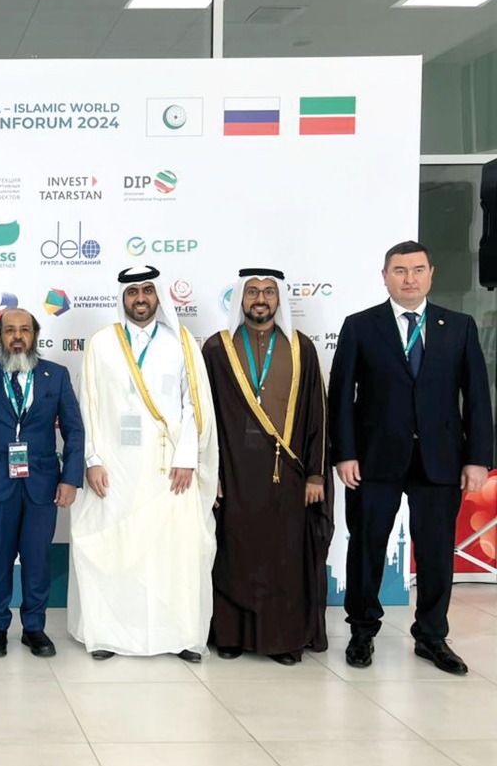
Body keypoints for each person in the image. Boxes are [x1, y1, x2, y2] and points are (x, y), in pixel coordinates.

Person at [328, 240, 492, 675]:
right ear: (385, 276)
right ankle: (362, 631)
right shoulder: (361, 326)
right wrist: (344, 453)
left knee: (437, 552)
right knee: (367, 548)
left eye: (418, 270)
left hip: (440, 460)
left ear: (431, 274)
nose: (409, 279)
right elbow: (342, 397)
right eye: (399, 270)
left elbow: (477, 397)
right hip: (374, 459)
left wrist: (477, 458)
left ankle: (432, 636)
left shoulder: (458, 326)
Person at [68, 265, 218, 662]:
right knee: (115, 547)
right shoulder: (101, 343)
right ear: (123, 298)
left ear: (158, 296)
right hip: (114, 469)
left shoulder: (181, 342)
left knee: (174, 551)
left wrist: (188, 457)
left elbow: (195, 406)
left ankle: (179, 636)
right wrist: (92, 461)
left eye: (147, 291)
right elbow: (90, 406)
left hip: (169, 470)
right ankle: (108, 635)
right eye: (133, 292)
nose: (140, 298)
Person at [202, 268, 333, 665]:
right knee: (234, 553)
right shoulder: (216, 348)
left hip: (288, 477)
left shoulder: (300, 348)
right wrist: (213, 474)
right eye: (253, 291)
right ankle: (230, 635)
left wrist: (315, 473)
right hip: (235, 473)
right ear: (240, 299)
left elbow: (318, 415)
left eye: (269, 292)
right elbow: (204, 418)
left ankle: (282, 639)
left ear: (280, 300)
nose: (260, 299)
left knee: (283, 558)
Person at [0, 308, 83, 658]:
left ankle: (34, 628)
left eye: (24, 330)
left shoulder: (55, 375)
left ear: (35, 335)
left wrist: (71, 478)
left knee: (37, 558)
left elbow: (74, 429)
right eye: (9, 330)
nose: (17, 336)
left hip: (43, 483)